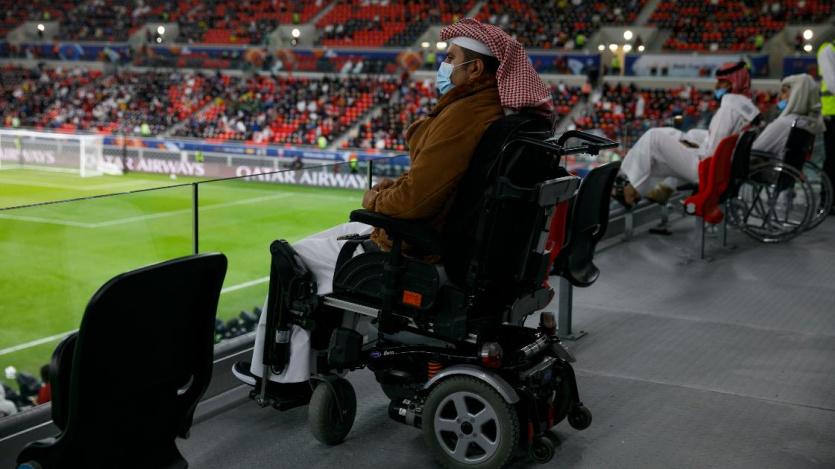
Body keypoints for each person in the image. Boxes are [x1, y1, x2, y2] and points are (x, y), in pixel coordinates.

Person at [233, 18, 554, 399]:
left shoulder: (465, 116)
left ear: (476, 69)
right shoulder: (494, 113)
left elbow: (416, 200)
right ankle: (314, 361)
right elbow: (435, 187)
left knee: (292, 258)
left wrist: (374, 199)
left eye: (451, 58)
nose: (443, 65)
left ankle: (280, 376)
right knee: (334, 239)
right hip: (453, 240)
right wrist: (389, 193)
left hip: (424, 246)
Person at [616, 62, 760, 206]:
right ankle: (657, 190)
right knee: (677, 135)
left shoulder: (728, 110)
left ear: (734, 83)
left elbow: (712, 151)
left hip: (707, 170)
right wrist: (689, 144)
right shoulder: (743, 108)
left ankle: (628, 186)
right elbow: (719, 143)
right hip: (718, 167)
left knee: (654, 137)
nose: (717, 86)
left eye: (722, 83)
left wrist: (690, 149)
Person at [752, 74, 824, 155]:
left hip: (770, 162)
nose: (780, 97)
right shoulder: (812, 122)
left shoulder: (784, 123)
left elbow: (754, 151)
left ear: (797, 94)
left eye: (784, 91)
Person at [818, 39, 835, 214]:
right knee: (832, 159)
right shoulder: (828, 50)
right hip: (832, 113)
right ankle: (827, 201)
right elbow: (831, 83)